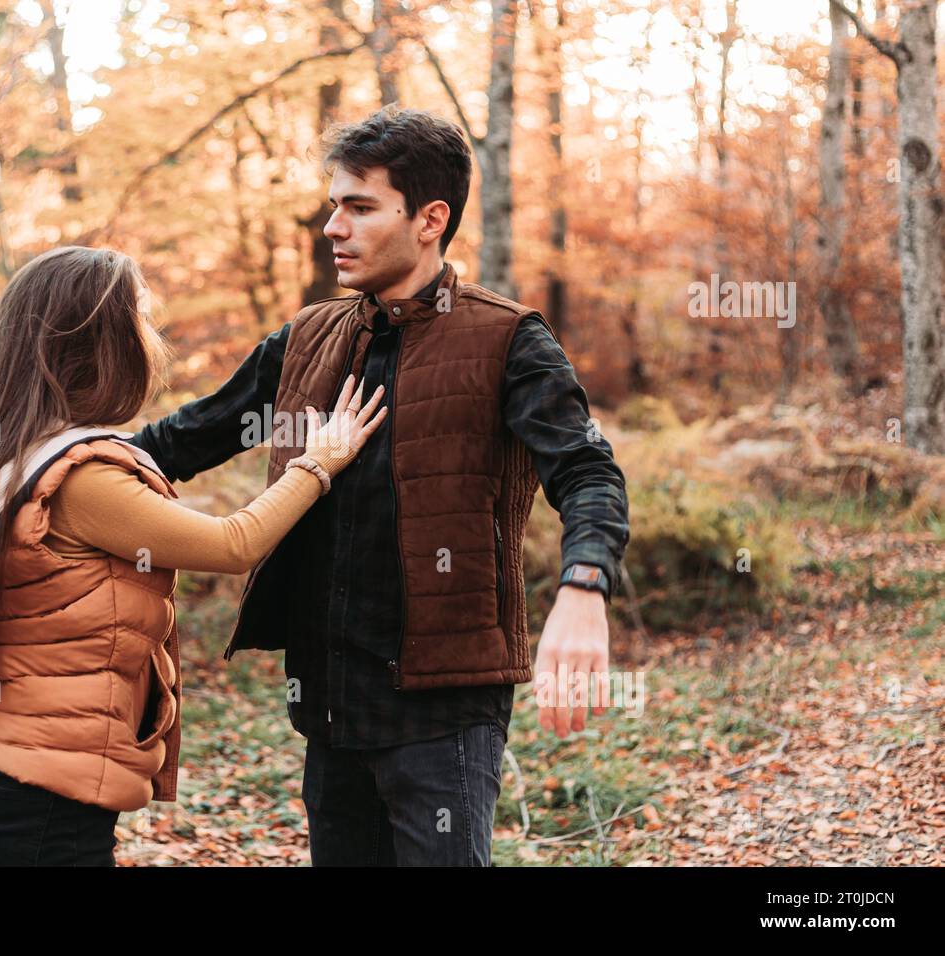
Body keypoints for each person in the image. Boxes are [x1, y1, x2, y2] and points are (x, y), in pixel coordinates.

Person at [127, 106, 631, 866]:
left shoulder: (508, 339)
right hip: (328, 702)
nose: (334, 226)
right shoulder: (307, 338)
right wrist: (54, 473)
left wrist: (586, 584)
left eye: (359, 207)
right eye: (334, 205)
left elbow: (587, 468)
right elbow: (184, 439)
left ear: (431, 219)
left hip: (444, 709)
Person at [0, 245, 387, 865]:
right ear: (100, 344)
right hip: (46, 787)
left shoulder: (11, 452)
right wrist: (321, 461)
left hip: (14, 764)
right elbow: (234, 544)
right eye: (140, 321)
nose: (151, 338)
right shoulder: (81, 478)